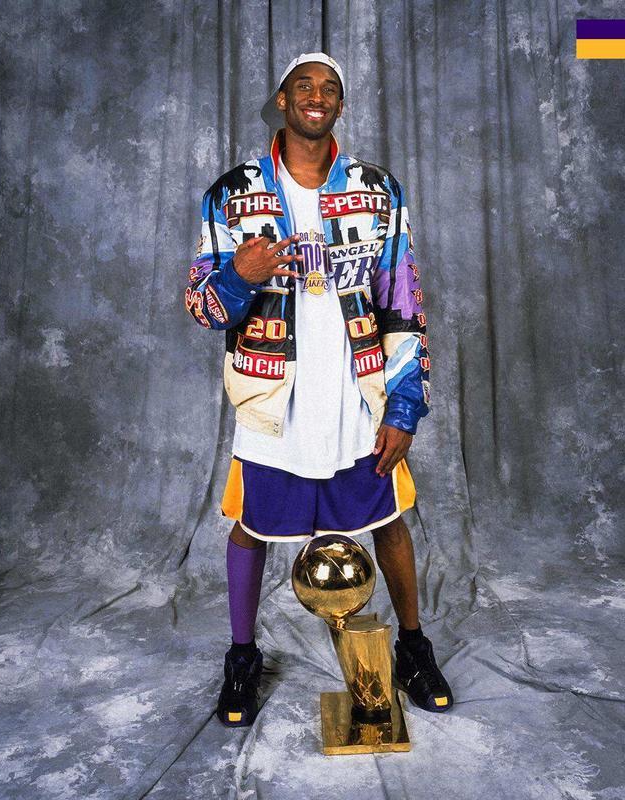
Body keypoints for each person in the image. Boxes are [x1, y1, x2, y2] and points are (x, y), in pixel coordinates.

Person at [185, 53, 454, 727]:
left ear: (340, 105)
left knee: (387, 517)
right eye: (303, 85)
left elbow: (402, 302)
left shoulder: (378, 190)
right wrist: (239, 276)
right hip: (271, 393)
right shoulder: (231, 194)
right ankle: (242, 656)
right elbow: (203, 308)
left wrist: (404, 404)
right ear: (282, 99)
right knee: (251, 526)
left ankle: (413, 648)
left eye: (329, 88)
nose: (316, 95)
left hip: (358, 389)